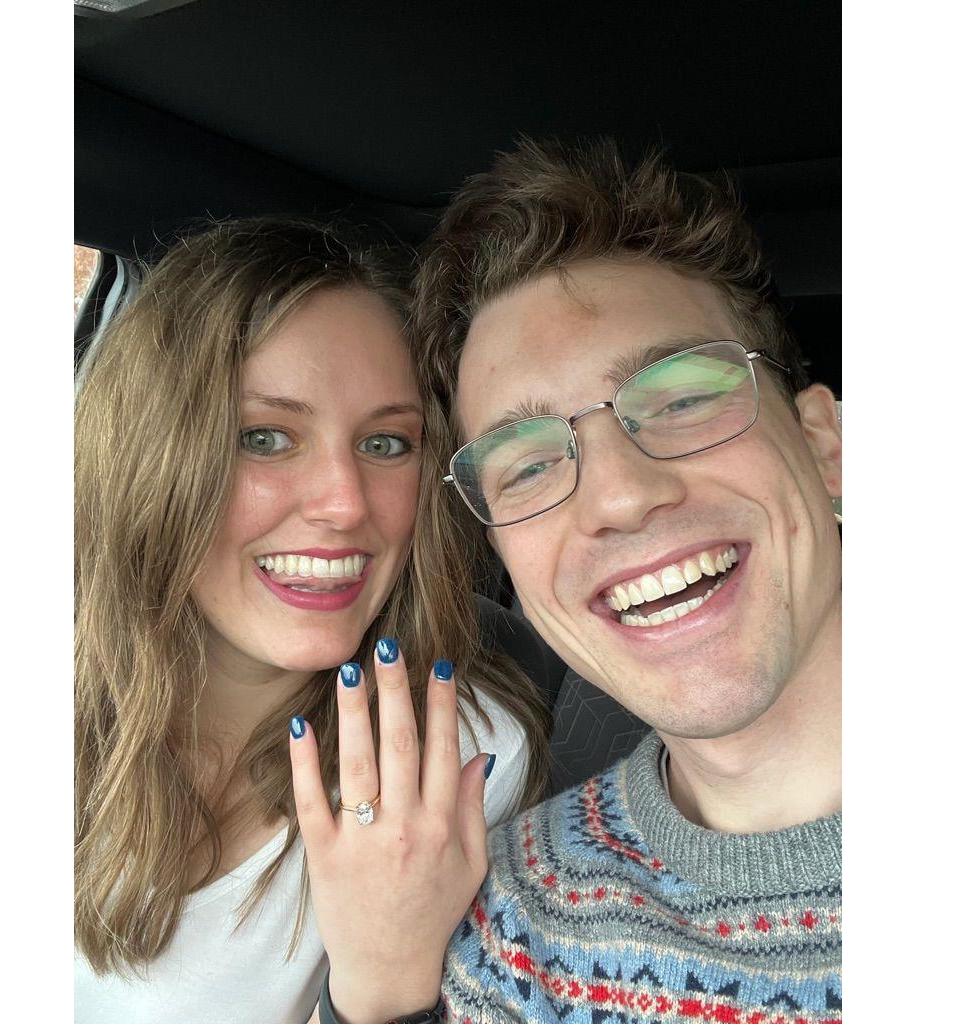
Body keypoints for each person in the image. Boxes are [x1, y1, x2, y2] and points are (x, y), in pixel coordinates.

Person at [73, 218, 551, 1023]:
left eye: (386, 444)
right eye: (265, 437)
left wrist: (384, 987)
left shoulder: (461, 759)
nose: (344, 503)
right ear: (149, 460)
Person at [408, 138, 843, 1022]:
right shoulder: (521, 922)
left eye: (683, 397)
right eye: (529, 465)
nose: (619, 495)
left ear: (826, 446)